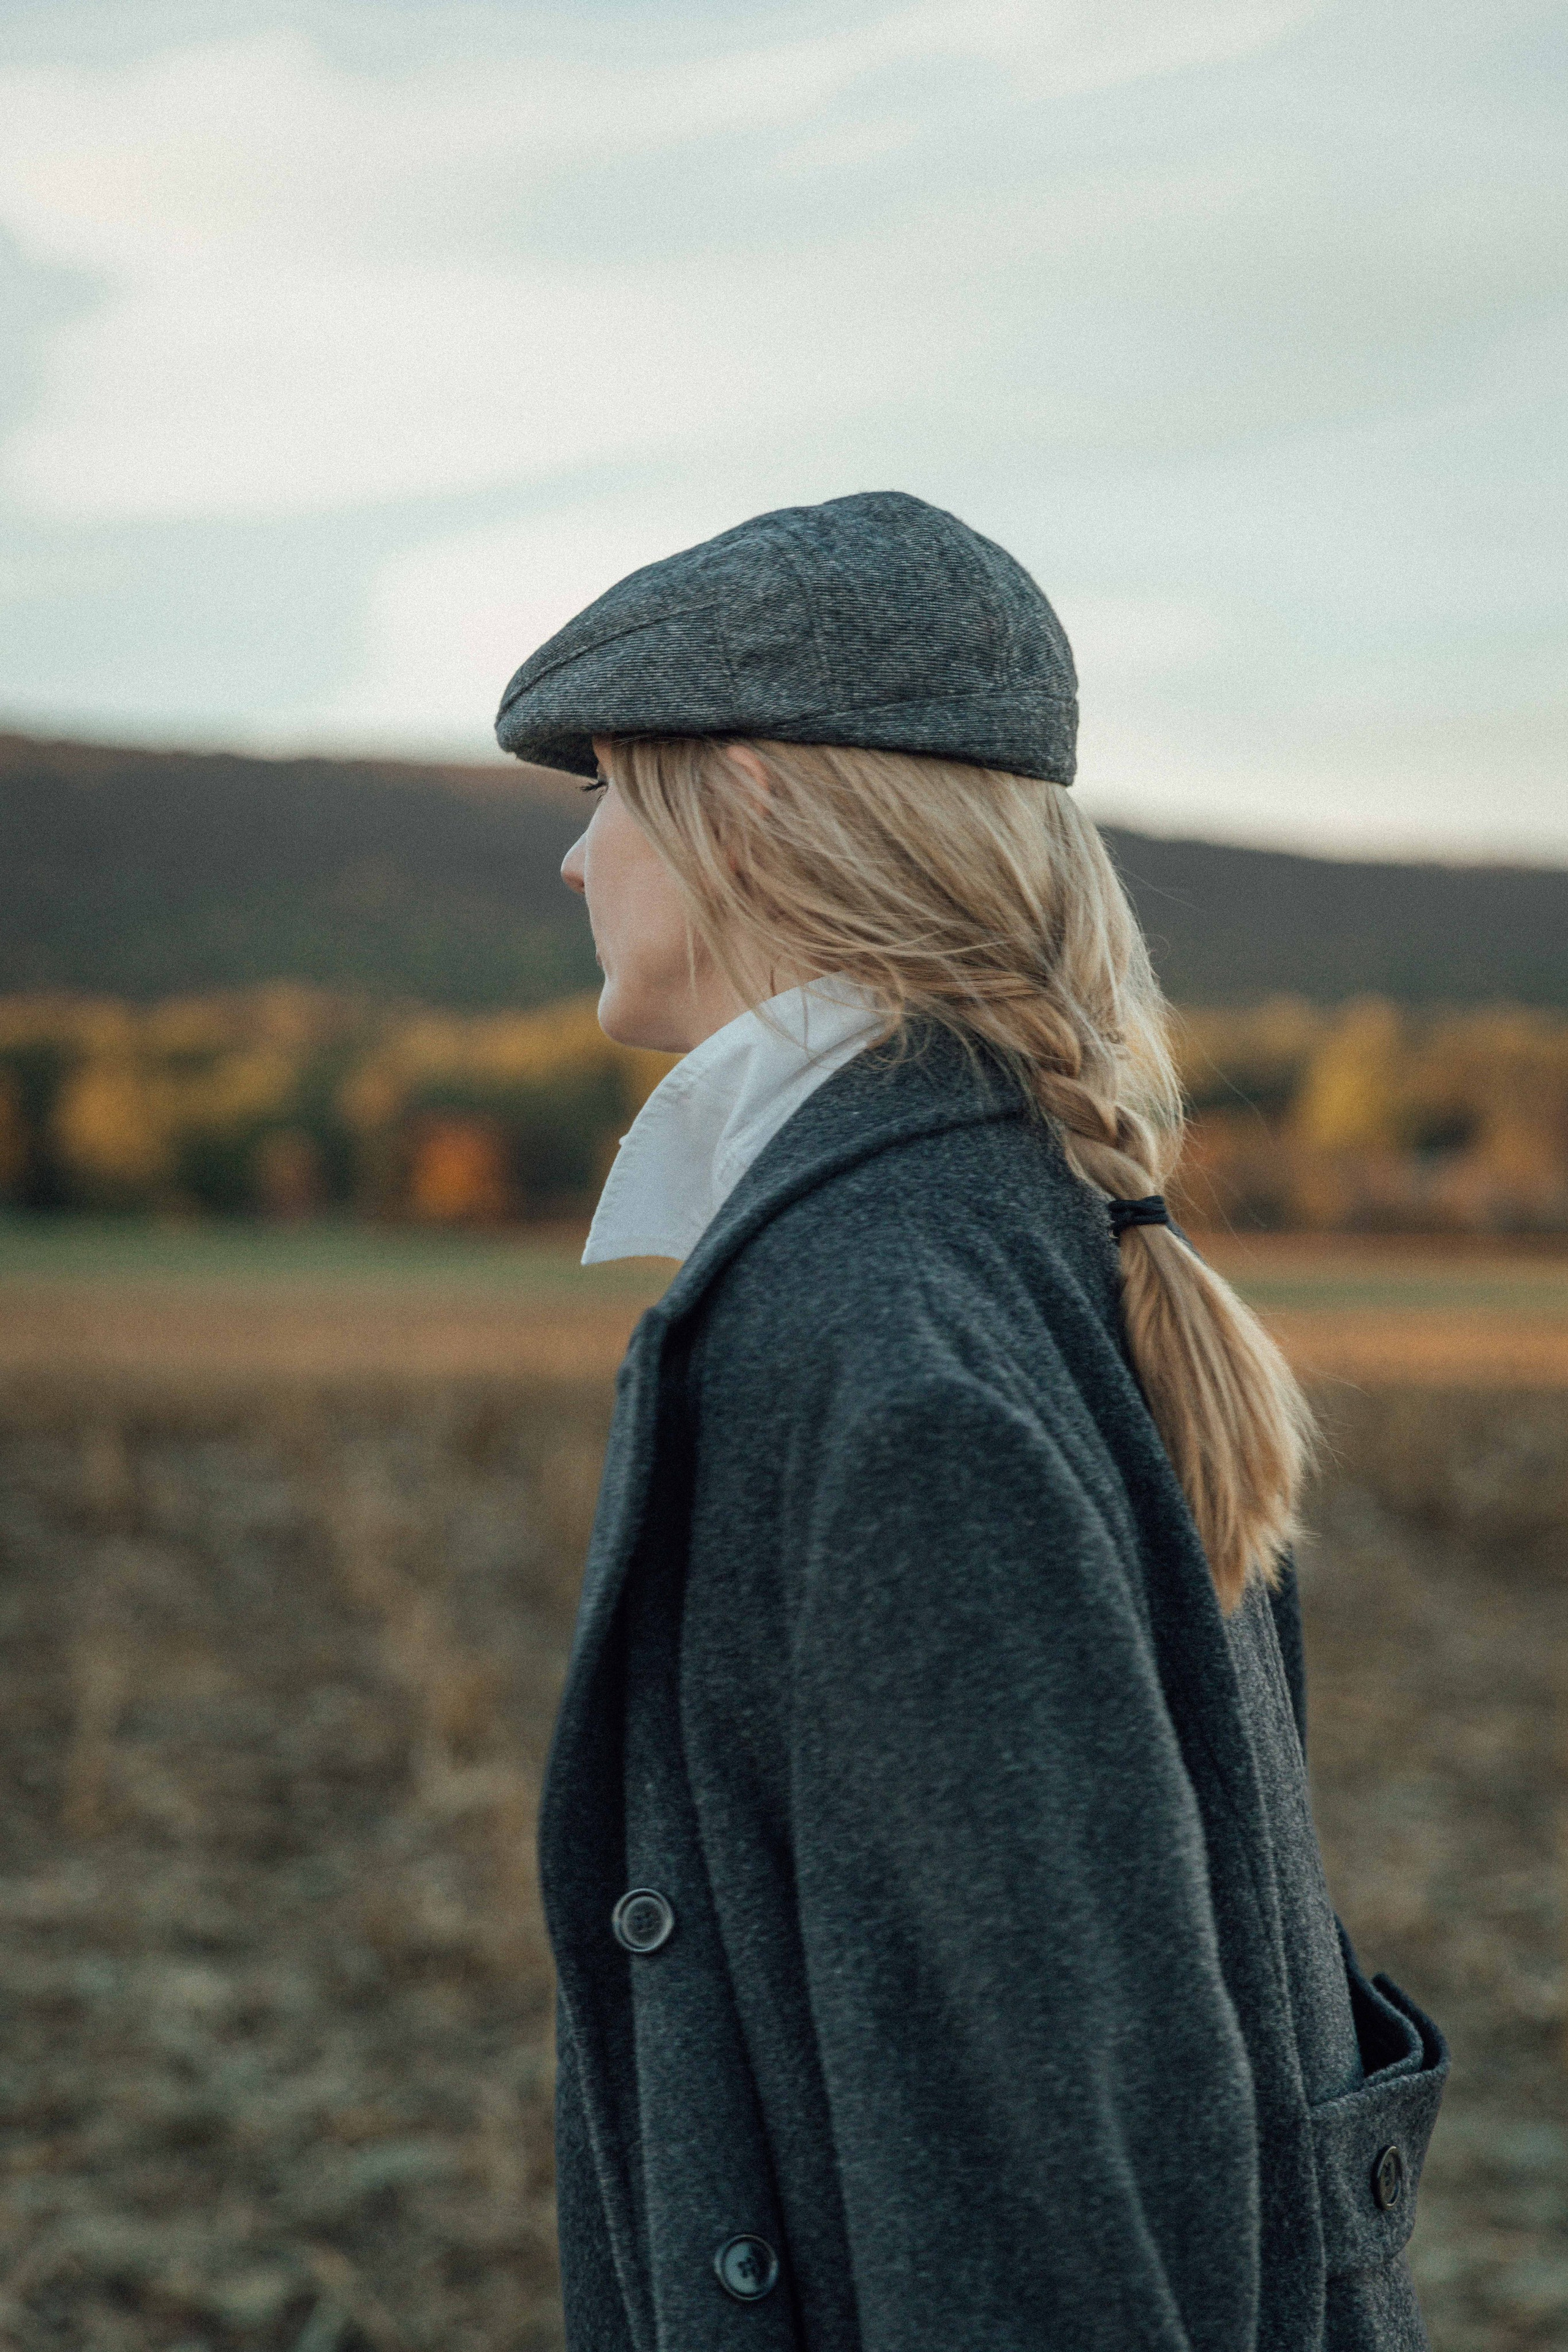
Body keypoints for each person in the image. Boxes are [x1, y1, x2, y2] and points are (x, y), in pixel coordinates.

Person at [494, 492, 1448, 2352]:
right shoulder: (1018, 1222)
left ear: (750, 804)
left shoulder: (869, 1320)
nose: (578, 858)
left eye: (610, 788)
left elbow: (1036, 2148)